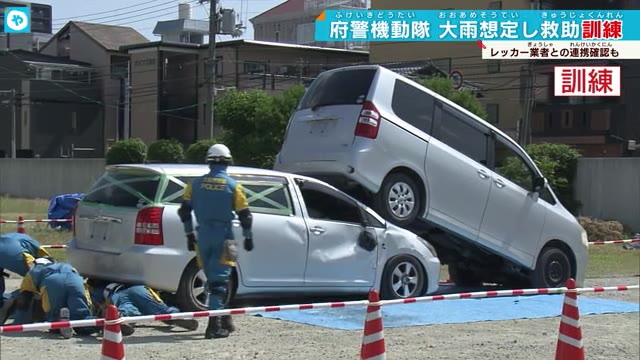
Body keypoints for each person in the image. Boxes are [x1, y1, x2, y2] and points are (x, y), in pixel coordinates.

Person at [178, 144, 254, 339]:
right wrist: (248, 236)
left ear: (209, 161)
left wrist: (188, 235)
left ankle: (225, 318)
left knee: (212, 278)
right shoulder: (232, 186)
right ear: (227, 162)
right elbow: (245, 215)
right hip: (226, 238)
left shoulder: (194, 185)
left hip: (202, 237)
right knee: (222, 281)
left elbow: (184, 211)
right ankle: (214, 326)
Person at [15, 257, 102, 338]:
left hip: (52, 282)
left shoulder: (33, 271)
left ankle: (60, 322)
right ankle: (102, 324)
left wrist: (19, 322)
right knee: (81, 317)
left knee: (54, 317)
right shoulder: (65, 265)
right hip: (75, 279)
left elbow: (24, 300)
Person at [85, 279, 199, 333]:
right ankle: (176, 315)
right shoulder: (119, 275)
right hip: (139, 289)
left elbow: (97, 305)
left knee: (127, 309)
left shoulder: (95, 291)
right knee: (161, 309)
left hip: (117, 295)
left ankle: (121, 318)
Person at [0, 232, 51, 323]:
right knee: (35, 283)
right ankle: (15, 303)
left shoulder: (17, 237)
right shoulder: (35, 245)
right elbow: (46, 259)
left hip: (4, 246)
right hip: (15, 253)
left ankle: (3, 303)